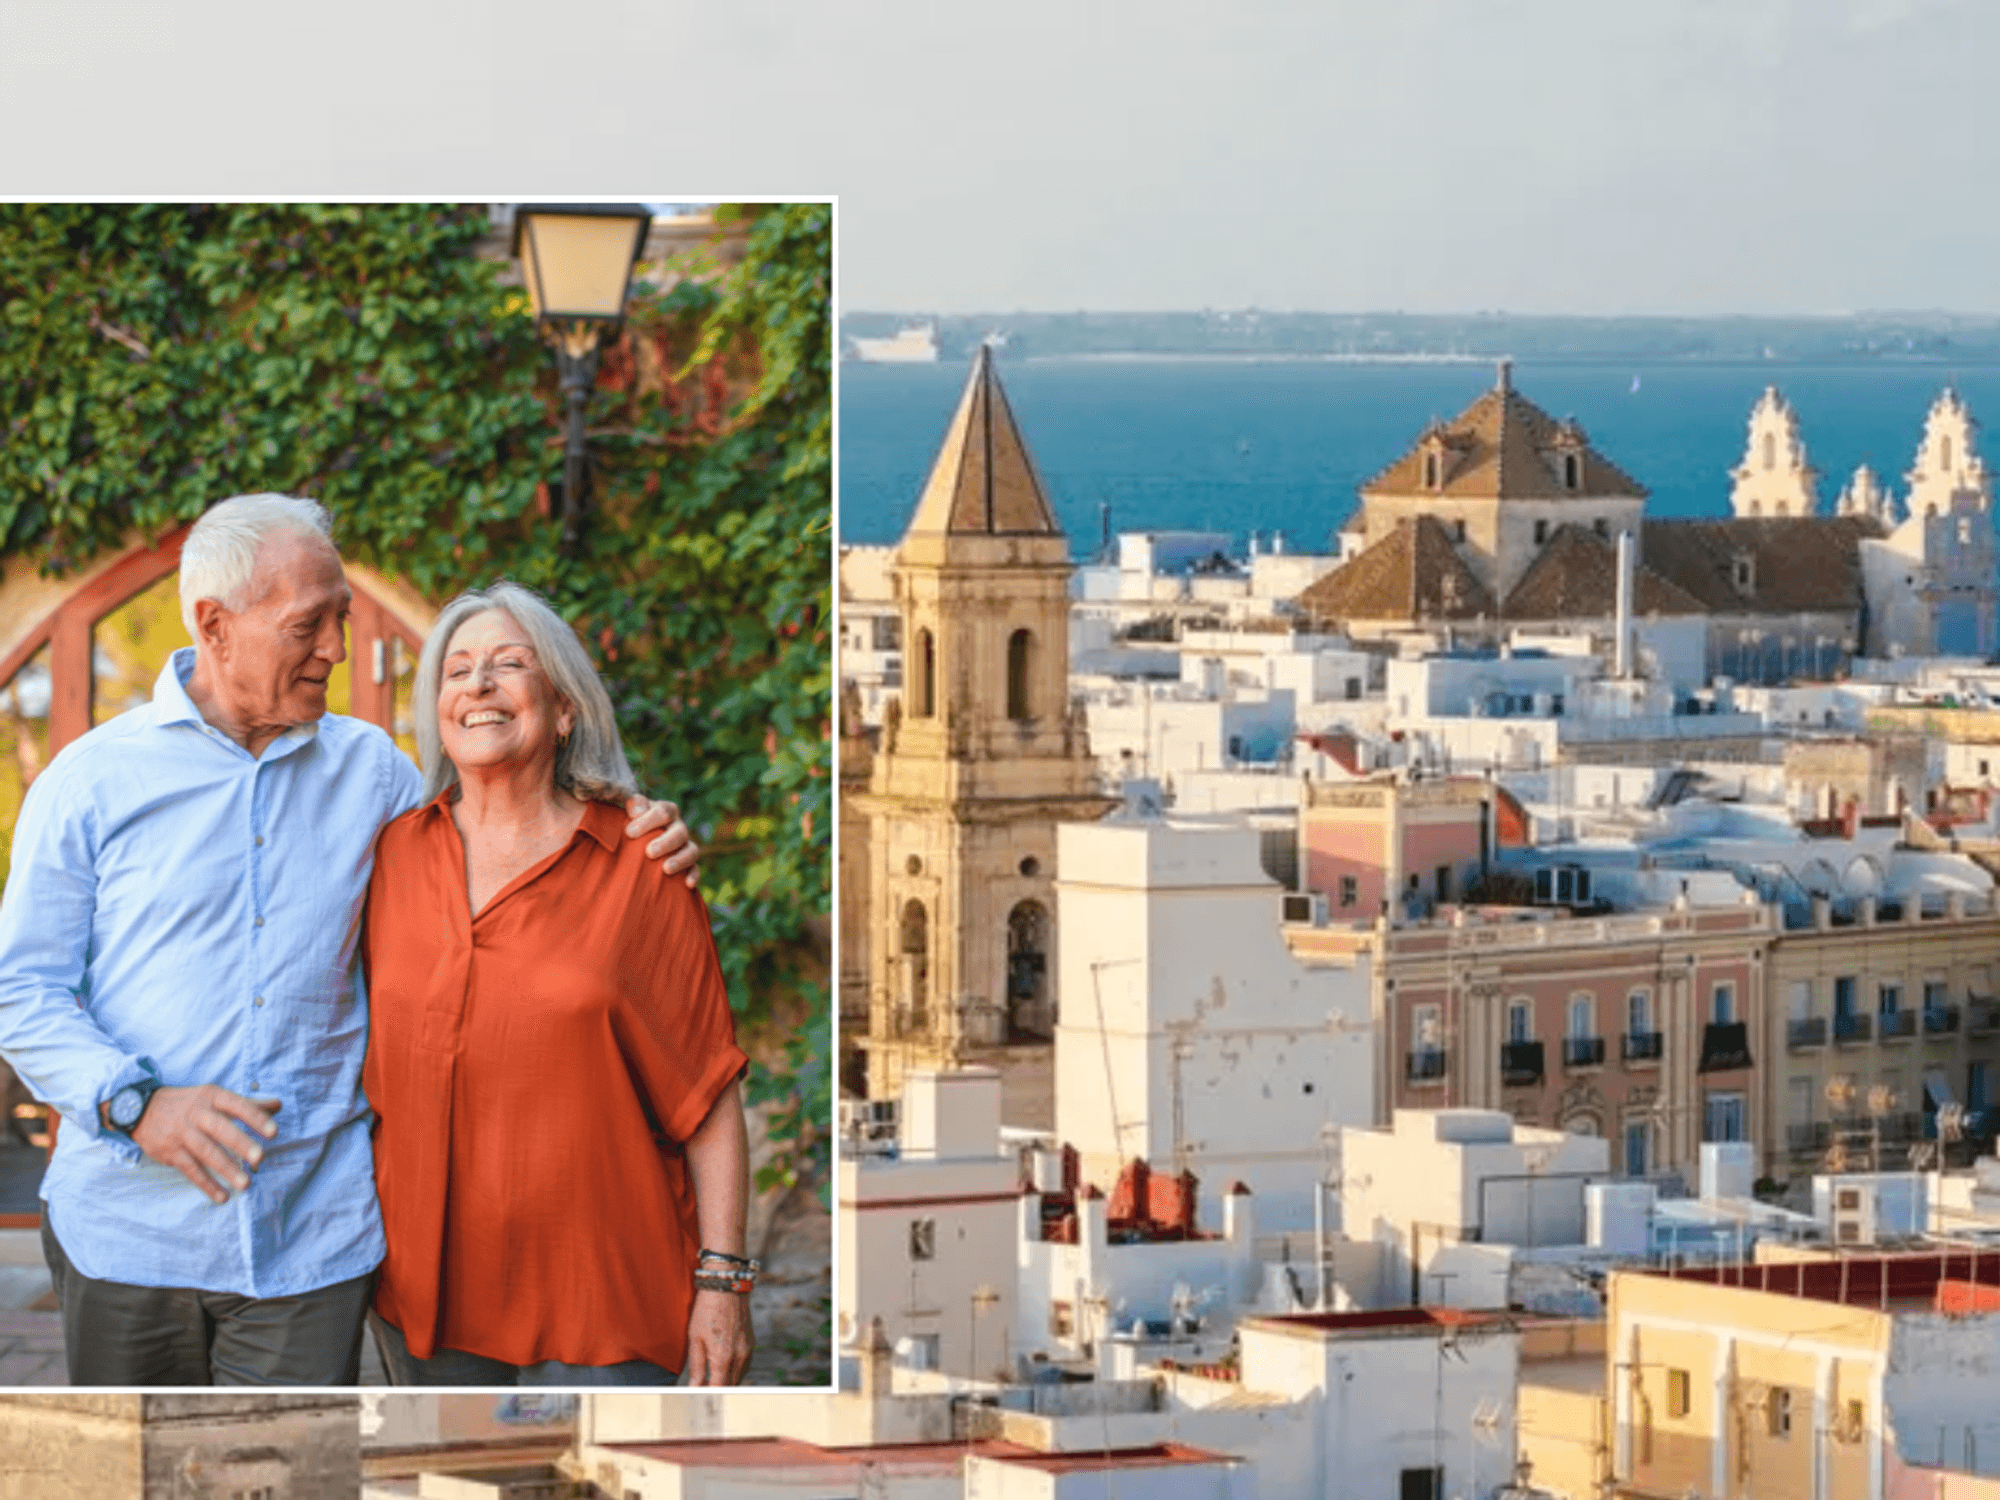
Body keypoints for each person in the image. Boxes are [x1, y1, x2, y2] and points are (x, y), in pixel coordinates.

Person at [0, 494, 696, 1385]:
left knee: (292, 1459)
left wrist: (634, 829)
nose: (333, 647)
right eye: (308, 625)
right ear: (214, 625)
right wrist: (136, 1104)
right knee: (138, 1459)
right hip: (130, 1233)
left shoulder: (377, 776)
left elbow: (509, 844)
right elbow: (23, 989)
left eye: (341, 618)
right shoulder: (91, 782)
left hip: (311, 1240)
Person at [364, 581, 754, 1387]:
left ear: (565, 708)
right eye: (457, 670)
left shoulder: (641, 864)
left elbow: (708, 1093)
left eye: (509, 664)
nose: (478, 684)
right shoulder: (391, 856)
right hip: (426, 1297)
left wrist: (723, 1283)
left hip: (603, 1297)